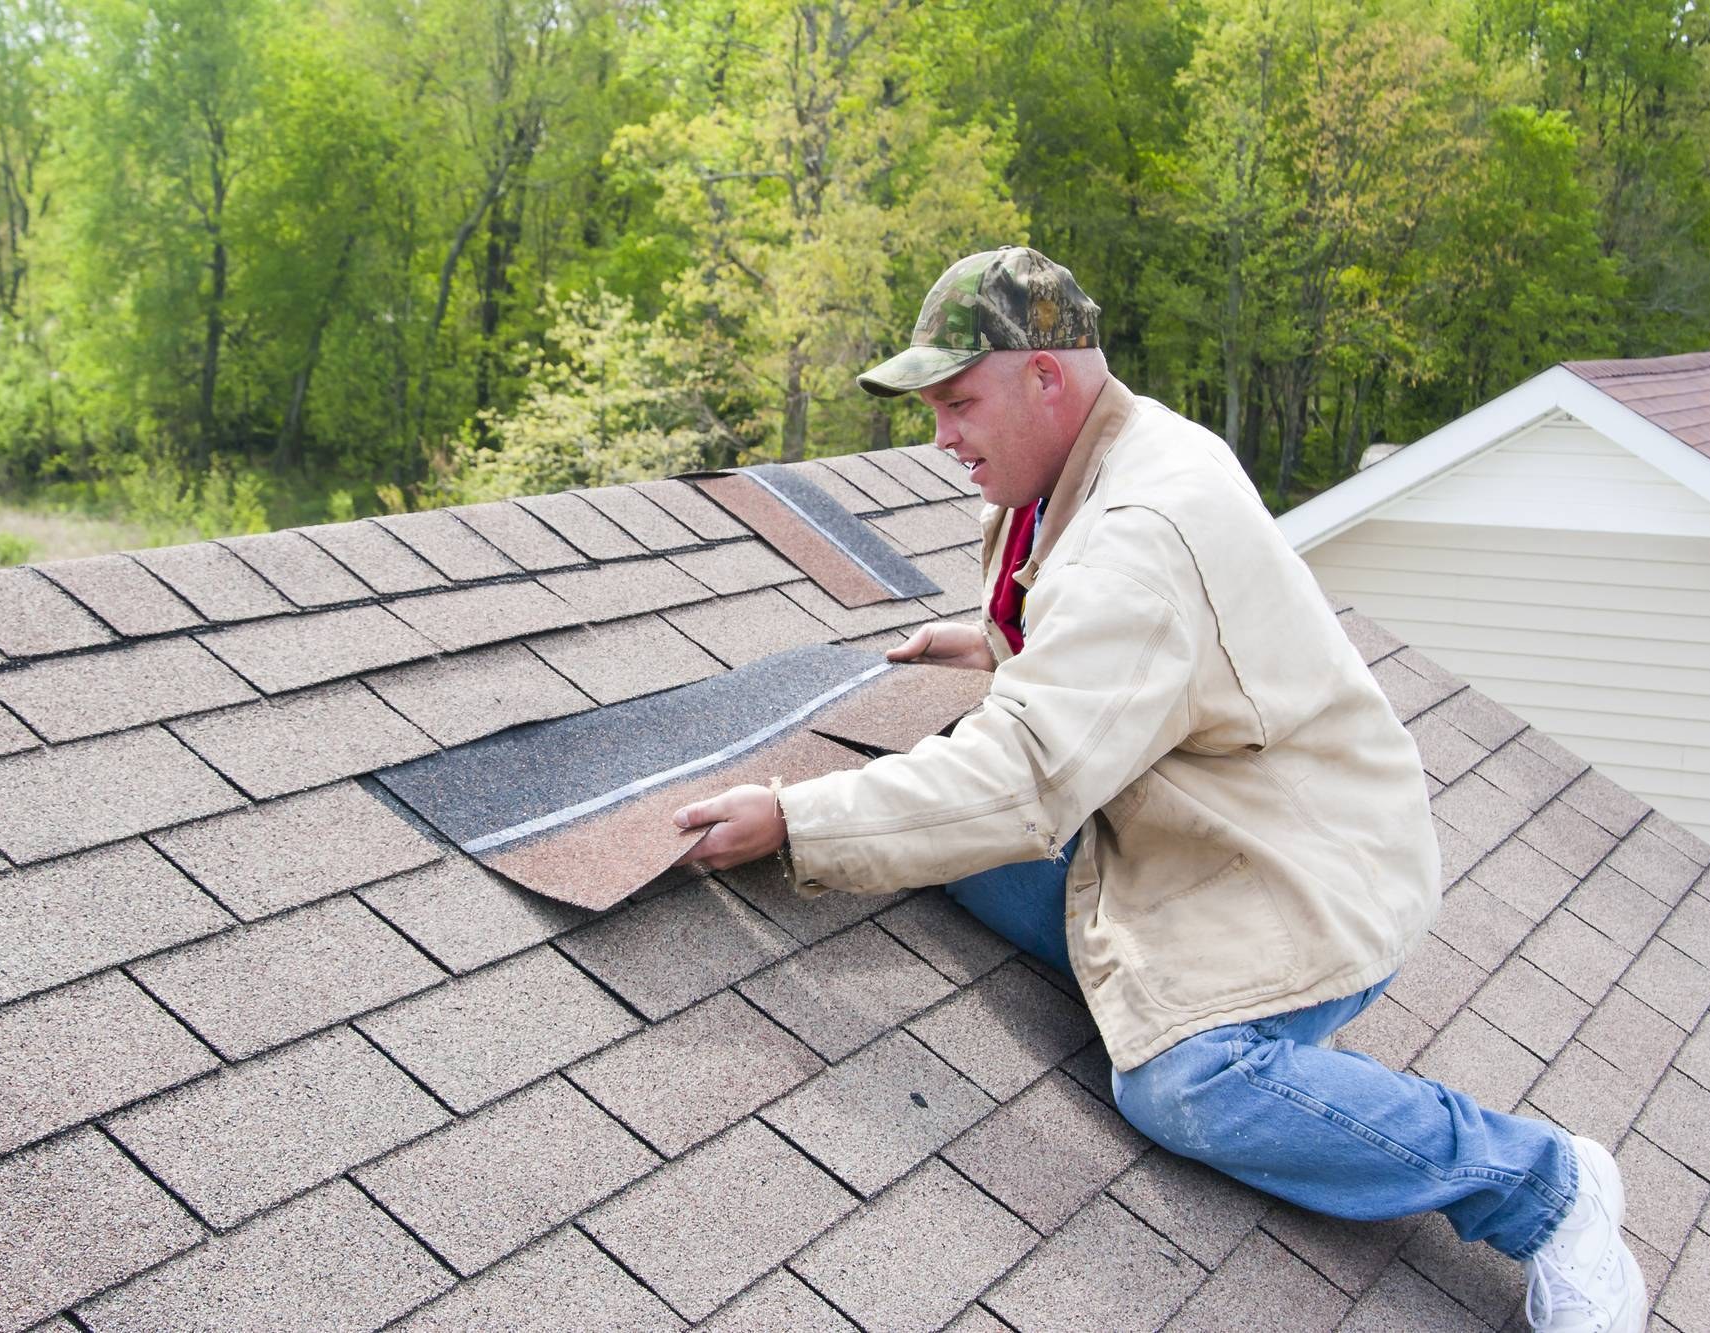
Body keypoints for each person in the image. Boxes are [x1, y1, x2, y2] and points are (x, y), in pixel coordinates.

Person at [671, 246, 1645, 1333]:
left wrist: (792, 817)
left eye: (956, 402)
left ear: (1045, 377)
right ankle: (1153, 970)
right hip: (1178, 815)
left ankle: (1538, 1185)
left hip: (1296, 867)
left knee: (1181, 1078)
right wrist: (1006, 645)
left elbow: (1027, 774)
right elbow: (1105, 647)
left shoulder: (1143, 526)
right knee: (922, 834)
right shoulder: (1093, 459)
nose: (939, 437)